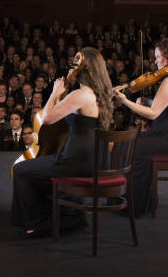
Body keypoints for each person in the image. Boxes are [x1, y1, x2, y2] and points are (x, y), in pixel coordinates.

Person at [11, 47, 113, 238]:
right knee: (41, 167)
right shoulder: (101, 94)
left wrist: (54, 91)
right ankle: (68, 217)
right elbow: (64, 113)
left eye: (76, 61)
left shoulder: (80, 95)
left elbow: (47, 118)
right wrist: (60, 96)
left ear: (84, 67)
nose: (71, 65)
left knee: (21, 170)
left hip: (75, 162)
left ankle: (39, 223)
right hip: (95, 161)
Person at [114, 38, 168, 217]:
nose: (155, 61)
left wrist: (125, 101)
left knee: (128, 147)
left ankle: (132, 204)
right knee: (128, 142)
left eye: (158, 57)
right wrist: (148, 101)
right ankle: (136, 200)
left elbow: (153, 114)